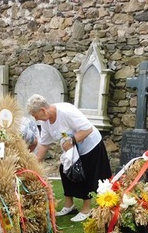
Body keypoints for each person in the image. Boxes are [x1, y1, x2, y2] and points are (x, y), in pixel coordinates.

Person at [27, 94, 112, 222]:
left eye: (36, 116)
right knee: (64, 170)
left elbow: (87, 129)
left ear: (43, 110)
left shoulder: (66, 111)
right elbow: (44, 143)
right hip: (72, 150)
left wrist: (71, 141)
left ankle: (86, 208)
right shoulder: (46, 121)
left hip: (90, 145)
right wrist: (34, 163)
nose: (37, 119)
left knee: (85, 174)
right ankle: (69, 205)